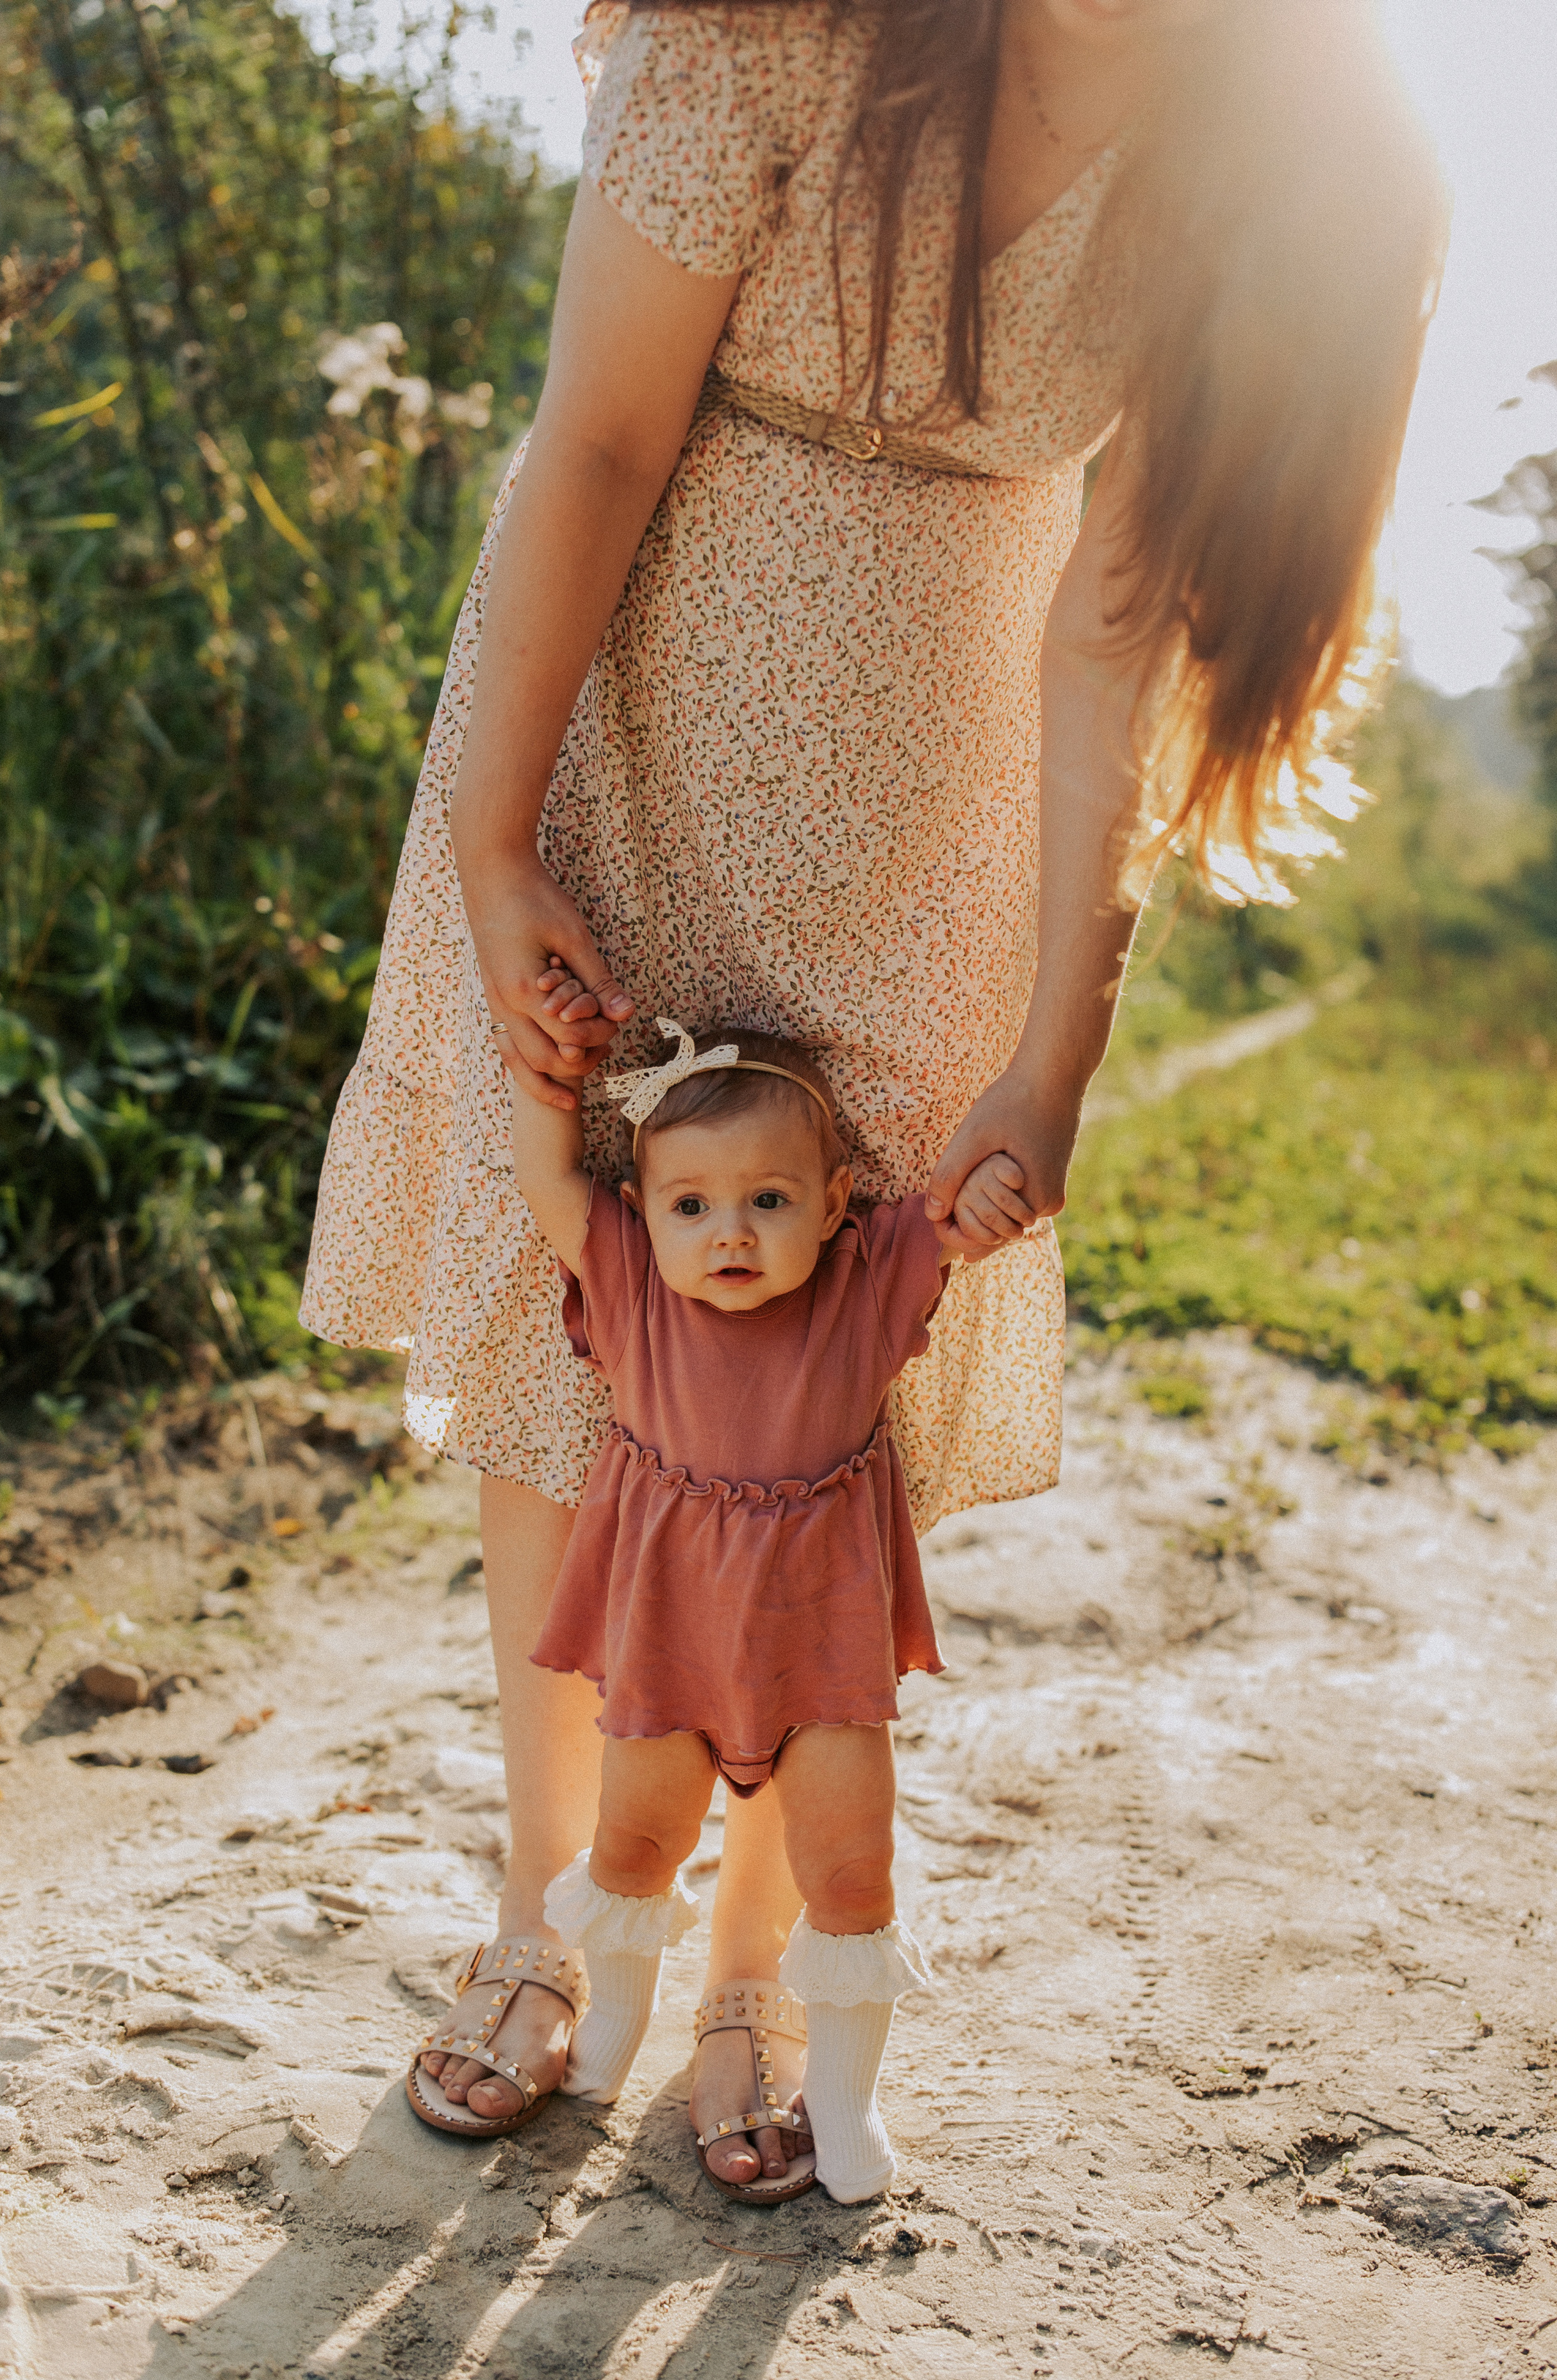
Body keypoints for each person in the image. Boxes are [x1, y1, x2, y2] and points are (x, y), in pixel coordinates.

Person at [301, 0, 1446, 2192]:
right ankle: (550, 1921)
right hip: (619, 714)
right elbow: (599, 441)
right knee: (589, 1348)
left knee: (821, 1401)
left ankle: (745, 1979)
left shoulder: (1255, 139)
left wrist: (1058, 1048)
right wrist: (500, 838)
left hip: (937, 816)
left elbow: (1117, 626)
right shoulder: (781, 37)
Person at [425, 1020, 1025, 2200]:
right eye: (689, 1205)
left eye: (767, 1198)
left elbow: (963, 1215)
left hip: (823, 1644)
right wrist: (544, 1077)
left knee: (853, 1868)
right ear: (644, 1212)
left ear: (836, 1200)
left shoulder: (868, 1277)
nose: (731, 1232)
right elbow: (548, 1177)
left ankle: (846, 2106)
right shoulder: (631, 1285)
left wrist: (1002, 1187)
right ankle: (608, 2038)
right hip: (670, 1635)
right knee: (635, 1845)